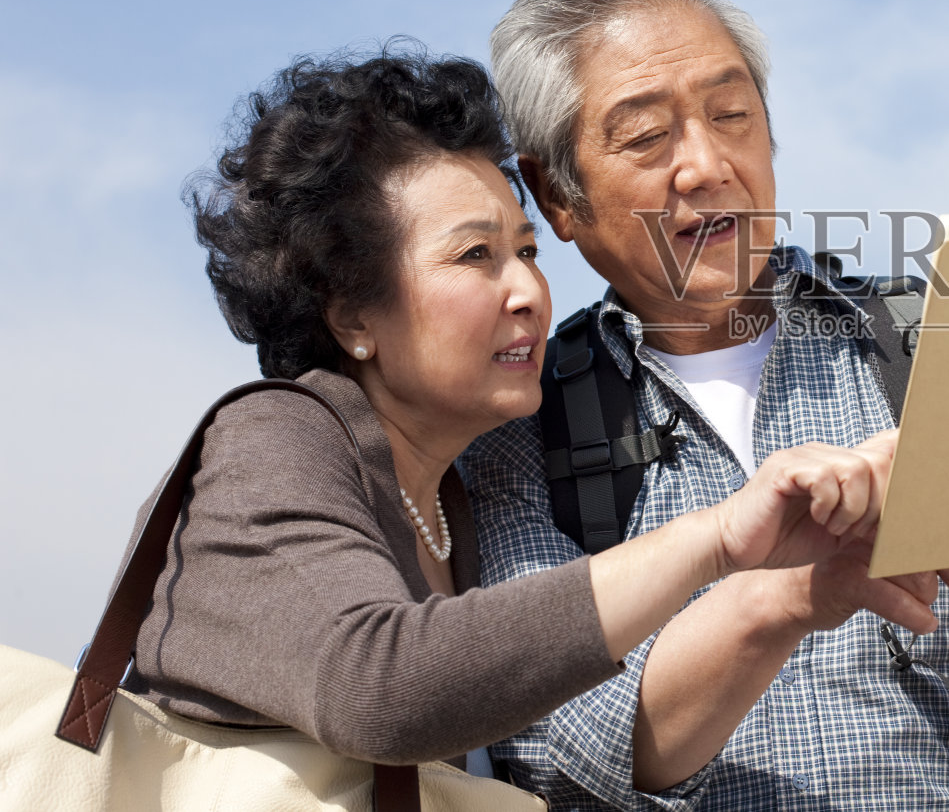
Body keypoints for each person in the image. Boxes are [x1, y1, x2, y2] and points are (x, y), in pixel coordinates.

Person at [461, 0, 949, 810]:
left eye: (732, 115)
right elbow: (567, 746)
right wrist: (790, 597)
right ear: (558, 198)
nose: (706, 164)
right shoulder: (515, 426)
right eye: (648, 135)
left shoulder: (937, 336)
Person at [125, 49, 902, 774]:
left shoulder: (460, 495)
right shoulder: (273, 440)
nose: (528, 292)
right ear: (353, 314)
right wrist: (718, 537)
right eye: (475, 257)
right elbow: (382, 686)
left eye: (527, 252)